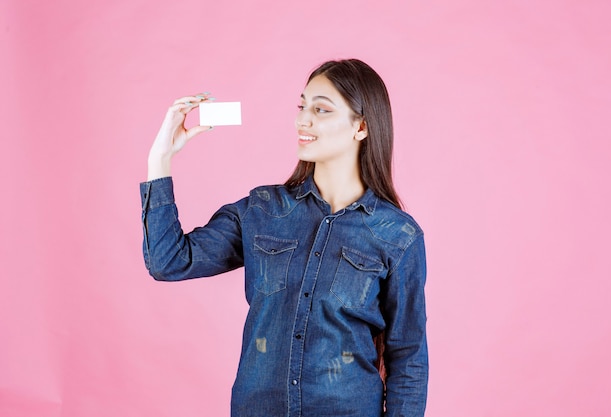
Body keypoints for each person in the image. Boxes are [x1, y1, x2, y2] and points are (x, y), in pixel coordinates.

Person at [140, 59, 428, 417]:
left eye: (320, 109)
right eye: (302, 106)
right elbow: (168, 261)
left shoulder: (397, 235)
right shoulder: (262, 210)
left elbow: (408, 355)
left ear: (362, 127)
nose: (302, 119)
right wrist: (160, 159)